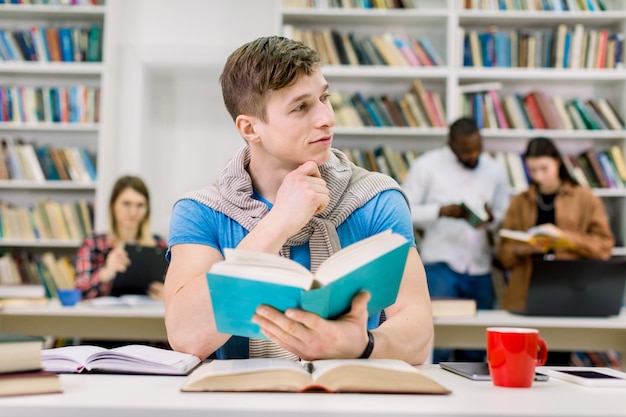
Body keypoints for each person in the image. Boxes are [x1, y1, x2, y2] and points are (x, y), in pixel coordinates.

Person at [163, 36, 433, 364]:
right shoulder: (200, 210)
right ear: (250, 128)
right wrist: (278, 223)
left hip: (352, 400)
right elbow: (187, 337)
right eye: (301, 107)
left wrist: (363, 346)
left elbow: (419, 332)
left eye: (324, 97)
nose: (327, 118)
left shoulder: (377, 197)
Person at [402, 116, 510, 362]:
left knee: (477, 346)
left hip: (480, 268)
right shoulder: (426, 166)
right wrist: (440, 211)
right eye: (466, 151)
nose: (473, 156)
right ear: (450, 144)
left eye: (477, 149)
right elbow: (404, 210)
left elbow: (503, 216)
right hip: (440, 265)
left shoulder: (495, 171)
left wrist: (492, 219)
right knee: (438, 341)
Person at [497, 137, 614, 312]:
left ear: (558, 162)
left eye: (544, 169)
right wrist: (529, 248)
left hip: (572, 287)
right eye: (532, 170)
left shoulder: (585, 198)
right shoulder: (520, 202)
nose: (539, 176)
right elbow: (504, 255)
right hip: (526, 290)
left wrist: (565, 238)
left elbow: (604, 247)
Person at [75, 175, 168, 300]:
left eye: (140, 205)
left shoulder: (159, 245)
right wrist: (106, 273)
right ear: (113, 205)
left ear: (147, 209)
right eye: (126, 204)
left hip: (147, 315)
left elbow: (176, 287)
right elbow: (80, 292)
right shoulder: (93, 243)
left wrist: (167, 294)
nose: (133, 212)